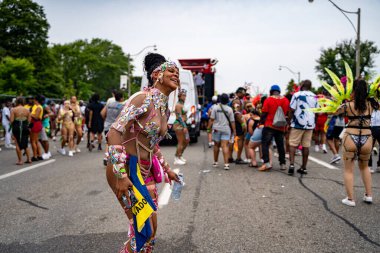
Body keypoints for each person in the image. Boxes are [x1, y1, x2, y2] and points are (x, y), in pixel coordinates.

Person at [106, 53, 180, 252]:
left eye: (178, 73)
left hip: (145, 172)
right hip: (126, 170)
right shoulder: (142, 99)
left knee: (151, 231)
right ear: (157, 74)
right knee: (142, 230)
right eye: (171, 71)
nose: (176, 75)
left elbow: (152, 144)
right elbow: (113, 133)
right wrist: (121, 176)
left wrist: (167, 169)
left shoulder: (164, 108)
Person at [334, 79, 377, 206]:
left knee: (348, 169)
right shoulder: (372, 104)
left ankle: (350, 199)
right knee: (365, 167)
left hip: (350, 137)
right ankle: (369, 195)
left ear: (353, 90)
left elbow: (334, 112)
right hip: (367, 137)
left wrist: (343, 102)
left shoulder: (347, 105)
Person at [288, 80, 318, 175]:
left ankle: (292, 165)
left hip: (297, 124)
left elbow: (291, 109)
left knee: (293, 144)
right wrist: (314, 123)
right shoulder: (315, 96)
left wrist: (289, 121)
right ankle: (304, 167)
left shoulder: (296, 95)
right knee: (306, 146)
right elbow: (317, 111)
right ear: (310, 87)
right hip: (310, 124)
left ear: (302, 85)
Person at [259, 85, 289, 171]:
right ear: (279, 91)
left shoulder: (268, 99)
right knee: (280, 145)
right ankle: (282, 164)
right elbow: (287, 112)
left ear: (271, 91)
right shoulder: (286, 100)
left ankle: (267, 163)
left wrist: (261, 122)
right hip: (280, 126)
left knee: (265, 144)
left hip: (269, 125)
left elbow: (264, 113)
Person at [208, 93, 237, 170]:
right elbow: (232, 121)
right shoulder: (230, 109)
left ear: (220, 100)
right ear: (227, 100)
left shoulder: (215, 108)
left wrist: (208, 128)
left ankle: (215, 162)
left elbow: (212, 119)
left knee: (216, 145)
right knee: (225, 146)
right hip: (226, 129)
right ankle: (226, 164)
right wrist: (234, 131)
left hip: (216, 129)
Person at [101, 90, 124, 166]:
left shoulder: (109, 104)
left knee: (109, 142)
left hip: (107, 125)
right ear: (121, 98)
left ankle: (106, 157)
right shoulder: (122, 106)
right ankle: (113, 161)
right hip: (116, 127)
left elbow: (102, 113)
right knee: (115, 144)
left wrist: (106, 120)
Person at [10, 97, 32, 164]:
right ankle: (29, 159)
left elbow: (11, 120)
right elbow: (29, 121)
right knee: (25, 144)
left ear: (16, 102)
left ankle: (20, 161)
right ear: (23, 102)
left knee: (17, 143)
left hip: (16, 126)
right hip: (25, 126)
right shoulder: (27, 110)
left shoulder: (13, 110)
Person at [173, 89, 190, 165]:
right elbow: (179, 117)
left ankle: (180, 155)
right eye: (183, 95)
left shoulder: (182, 104)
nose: (185, 97)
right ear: (179, 96)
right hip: (179, 124)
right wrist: (184, 126)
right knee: (181, 141)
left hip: (183, 124)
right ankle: (176, 158)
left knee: (187, 141)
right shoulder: (178, 105)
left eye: (185, 95)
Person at [30, 95, 44, 161]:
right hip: (36, 123)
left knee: (33, 141)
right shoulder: (37, 107)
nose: (33, 101)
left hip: (36, 123)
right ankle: (39, 155)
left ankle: (35, 156)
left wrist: (29, 113)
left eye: (34, 99)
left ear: (36, 100)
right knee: (36, 141)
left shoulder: (38, 107)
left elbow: (36, 117)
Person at [369, 103, 380, 173]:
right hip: (371, 128)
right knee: (369, 148)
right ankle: (369, 166)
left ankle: (379, 166)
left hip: (378, 127)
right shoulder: (369, 108)